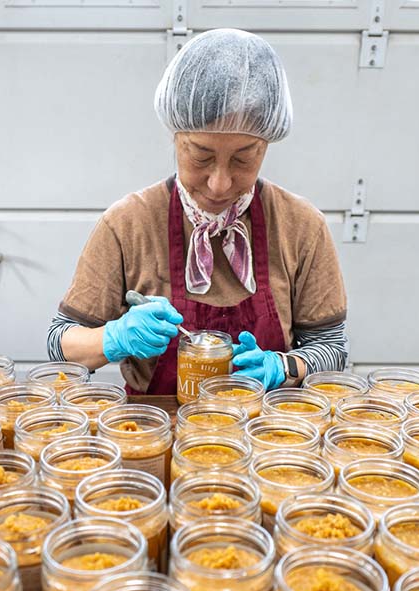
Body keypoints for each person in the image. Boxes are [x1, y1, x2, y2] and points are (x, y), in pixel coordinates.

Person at [47, 28, 347, 393]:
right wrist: (112, 338)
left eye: (243, 157)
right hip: (154, 437)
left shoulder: (301, 226)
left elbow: (332, 348)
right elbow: (59, 345)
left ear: (266, 145)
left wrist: (282, 366)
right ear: (175, 136)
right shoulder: (128, 225)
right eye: (200, 155)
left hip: (269, 438)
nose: (219, 183)